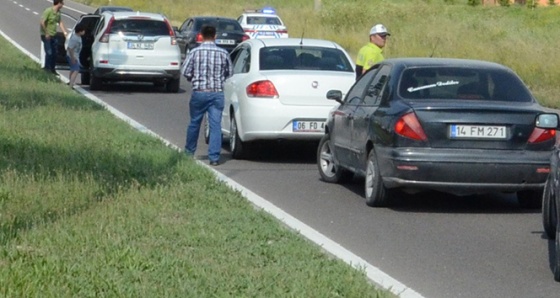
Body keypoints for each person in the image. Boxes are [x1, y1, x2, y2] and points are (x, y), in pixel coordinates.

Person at [181, 25, 233, 166]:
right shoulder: (223, 53)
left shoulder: (194, 52)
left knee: (194, 123)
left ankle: (189, 153)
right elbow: (229, 72)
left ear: (201, 36)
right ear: (215, 36)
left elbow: (185, 71)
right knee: (215, 125)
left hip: (199, 92)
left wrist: (194, 78)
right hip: (216, 93)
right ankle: (214, 157)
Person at [40, 0, 68, 75]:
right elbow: (42, 22)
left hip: (54, 35)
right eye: (62, 3)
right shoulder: (48, 11)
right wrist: (46, 33)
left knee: (55, 53)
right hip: (46, 35)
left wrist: (65, 32)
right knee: (49, 52)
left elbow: (60, 22)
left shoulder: (58, 13)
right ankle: (46, 68)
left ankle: (52, 69)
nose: (63, 4)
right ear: (58, 3)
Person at [65, 23, 86, 88]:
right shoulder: (75, 38)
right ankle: (71, 85)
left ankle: (70, 82)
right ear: (80, 31)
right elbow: (70, 48)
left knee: (73, 69)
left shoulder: (78, 37)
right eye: (83, 30)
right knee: (76, 70)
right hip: (72, 56)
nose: (84, 32)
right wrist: (73, 58)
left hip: (75, 56)